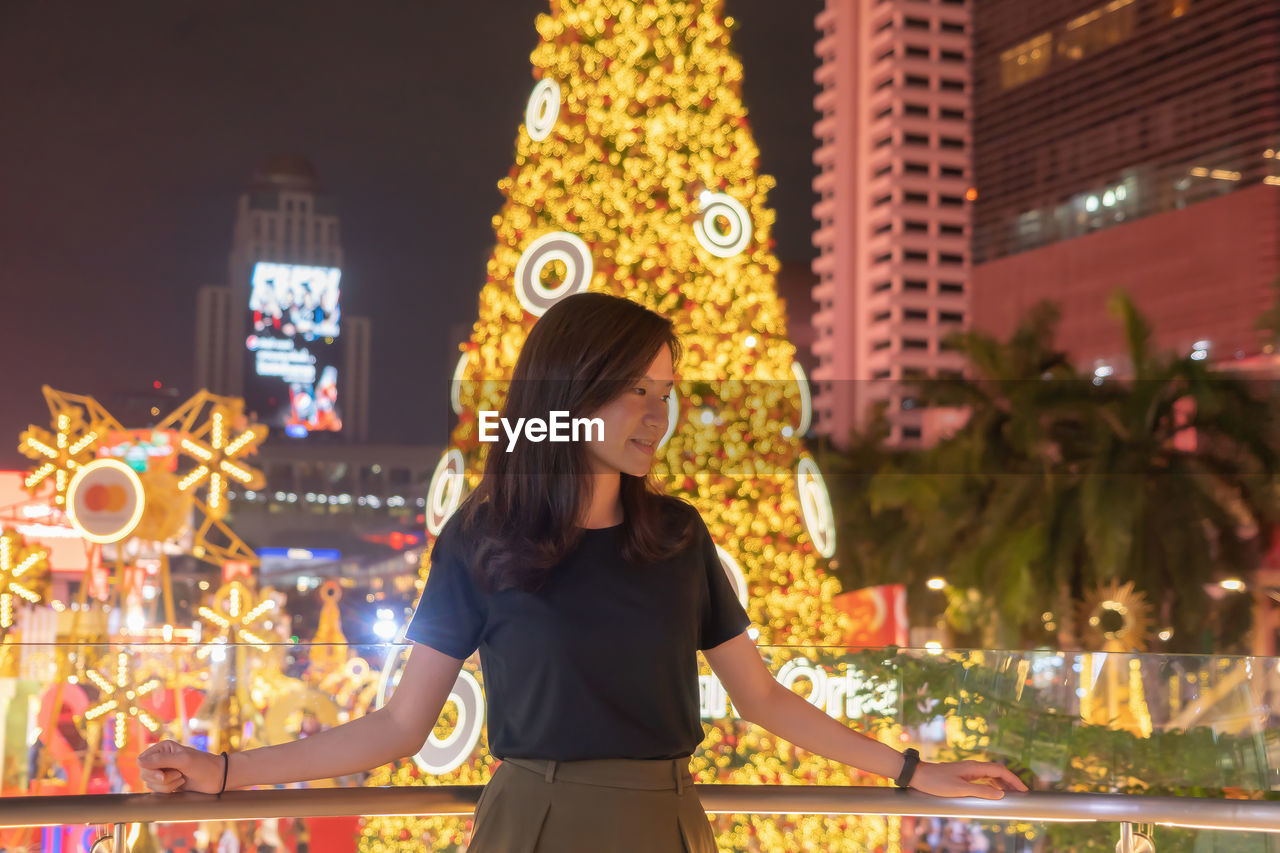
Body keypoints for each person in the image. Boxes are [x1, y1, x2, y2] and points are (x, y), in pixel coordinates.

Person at [138, 292, 1027, 852]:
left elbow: (765, 698)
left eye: (665, 391)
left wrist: (916, 771)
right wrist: (224, 771)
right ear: (567, 398)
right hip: (533, 823)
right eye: (634, 389)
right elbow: (401, 725)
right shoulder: (481, 537)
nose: (658, 414)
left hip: (669, 822)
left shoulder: (680, 535)